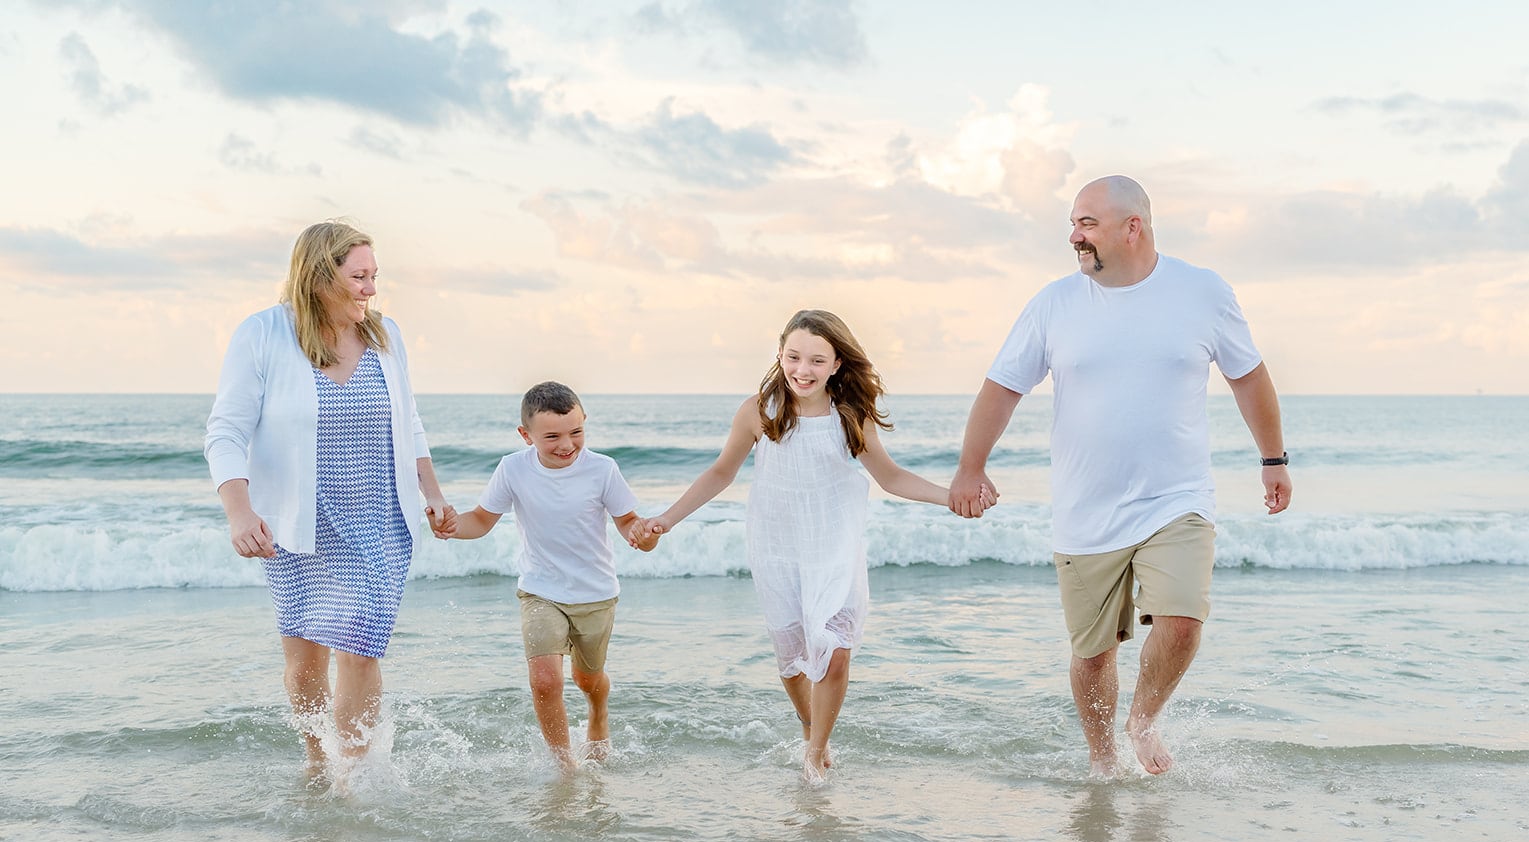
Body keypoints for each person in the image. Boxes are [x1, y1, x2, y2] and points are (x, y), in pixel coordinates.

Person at [949, 175, 1292, 778]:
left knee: (1183, 620)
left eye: (1087, 224)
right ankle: (1102, 760)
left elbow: (1248, 377)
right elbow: (1002, 389)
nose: (1074, 237)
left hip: (1176, 498)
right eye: (1074, 224)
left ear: (1132, 226)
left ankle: (1143, 720)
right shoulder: (1054, 303)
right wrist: (970, 468)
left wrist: (1273, 460)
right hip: (1086, 508)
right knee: (1092, 653)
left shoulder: (1202, 291)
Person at [633, 310, 965, 783]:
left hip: (833, 545)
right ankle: (812, 726)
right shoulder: (759, 411)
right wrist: (666, 519)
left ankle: (815, 751)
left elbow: (890, 477)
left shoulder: (850, 414)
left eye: (816, 360)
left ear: (836, 365)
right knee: (792, 661)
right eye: (793, 357)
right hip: (777, 546)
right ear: (780, 355)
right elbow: (720, 473)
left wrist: (948, 496)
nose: (802, 370)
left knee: (833, 649)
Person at [205, 221, 456, 785]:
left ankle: (354, 778)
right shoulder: (264, 333)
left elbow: (408, 421)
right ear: (320, 278)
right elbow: (225, 431)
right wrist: (239, 512)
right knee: (305, 658)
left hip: (379, 520)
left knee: (361, 646)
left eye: (373, 276)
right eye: (358, 277)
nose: (370, 289)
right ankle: (318, 762)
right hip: (298, 522)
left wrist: (432, 493)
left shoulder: (386, 334)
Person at [446, 382, 659, 769]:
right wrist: (450, 526)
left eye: (576, 432)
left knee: (588, 679)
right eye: (552, 437)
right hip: (539, 590)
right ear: (526, 435)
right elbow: (479, 520)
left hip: (594, 593)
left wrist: (644, 537)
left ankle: (598, 713)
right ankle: (566, 769)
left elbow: (629, 524)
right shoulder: (513, 468)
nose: (567, 445)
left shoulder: (603, 469)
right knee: (546, 681)